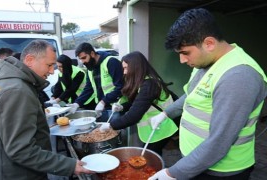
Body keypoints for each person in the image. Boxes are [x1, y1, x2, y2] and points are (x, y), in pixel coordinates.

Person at [149, 8, 267, 180]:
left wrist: (173, 173)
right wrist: (166, 113)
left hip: (220, 172)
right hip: (195, 162)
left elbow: (219, 143)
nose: (182, 60)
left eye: (185, 53)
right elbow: (192, 95)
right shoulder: (206, 63)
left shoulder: (239, 76)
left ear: (209, 43)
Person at [0, 40, 93, 180]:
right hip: (20, 174)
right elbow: (21, 149)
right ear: (29, 60)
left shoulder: (14, 83)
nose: (52, 71)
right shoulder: (16, 90)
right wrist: (69, 165)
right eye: (49, 65)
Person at [99, 51, 179, 155]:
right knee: (151, 154)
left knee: (149, 156)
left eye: (126, 68)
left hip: (162, 127)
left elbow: (133, 116)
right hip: (155, 126)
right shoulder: (143, 82)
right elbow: (139, 103)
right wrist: (122, 107)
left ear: (136, 67)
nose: (124, 72)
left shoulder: (149, 85)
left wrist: (110, 125)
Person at [68, 42, 123, 120]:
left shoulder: (111, 62)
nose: (82, 62)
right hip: (102, 108)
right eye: (80, 59)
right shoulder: (90, 67)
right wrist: (77, 103)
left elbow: (121, 87)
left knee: (116, 131)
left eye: (84, 58)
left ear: (92, 53)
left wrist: (103, 101)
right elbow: (89, 88)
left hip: (116, 107)